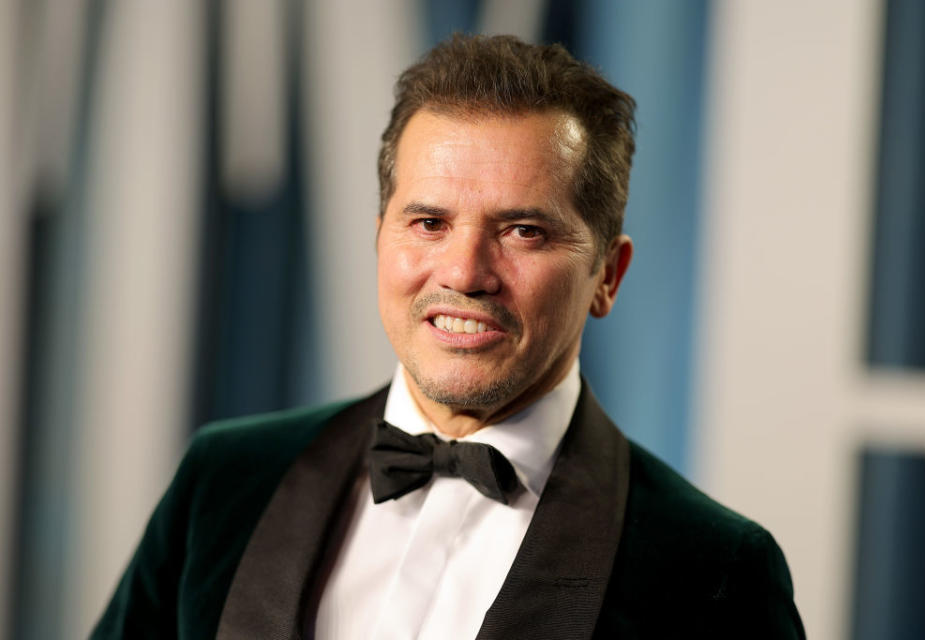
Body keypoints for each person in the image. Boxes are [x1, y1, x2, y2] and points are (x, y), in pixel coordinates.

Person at [92, 34, 805, 639]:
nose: (465, 273)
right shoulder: (222, 480)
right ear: (380, 240)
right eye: (429, 223)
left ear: (607, 277)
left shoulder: (715, 572)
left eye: (523, 230)